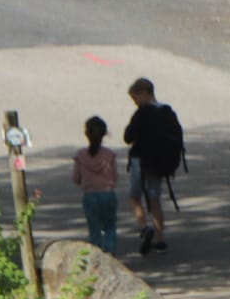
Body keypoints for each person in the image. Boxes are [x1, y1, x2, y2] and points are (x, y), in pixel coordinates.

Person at [121, 78, 177, 255]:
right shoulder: (166, 111)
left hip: (140, 161)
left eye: (135, 98)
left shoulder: (141, 113)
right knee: (155, 201)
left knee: (134, 196)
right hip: (160, 163)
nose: (135, 102)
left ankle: (144, 227)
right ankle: (160, 239)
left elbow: (128, 137)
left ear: (144, 93)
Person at [72, 116, 119, 254]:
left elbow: (76, 178)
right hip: (108, 194)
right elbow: (114, 176)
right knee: (110, 226)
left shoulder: (80, 155)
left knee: (94, 228)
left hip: (90, 195)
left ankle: (96, 254)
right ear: (104, 134)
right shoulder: (109, 155)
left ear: (86, 133)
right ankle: (110, 253)